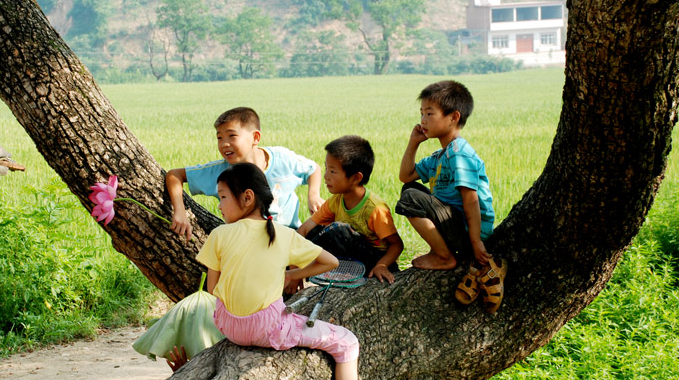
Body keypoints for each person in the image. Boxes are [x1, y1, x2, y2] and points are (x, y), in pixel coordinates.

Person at [198, 163, 383, 380]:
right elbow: (331, 262)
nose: (219, 205)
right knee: (347, 343)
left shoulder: (220, 234)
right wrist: (292, 275)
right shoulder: (282, 234)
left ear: (247, 198)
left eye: (222, 197)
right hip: (266, 330)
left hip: (229, 326)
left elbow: (212, 290)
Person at [395, 80, 505, 313]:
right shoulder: (440, 156)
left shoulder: (460, 154)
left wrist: (476, 242)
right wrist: (413, 143)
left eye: (430, 113)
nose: (423, 120)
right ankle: (444, 252)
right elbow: (406, 176)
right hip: (455, 225)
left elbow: (471, 200)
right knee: (409, 191)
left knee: (412, 197)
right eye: (421, 113)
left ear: (453, 117)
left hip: (467, 230)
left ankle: (443, 256)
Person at [165, 106, 325, 240]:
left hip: (290, 237)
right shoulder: (220, 172)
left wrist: (313, 195)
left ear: (255, 137)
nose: (224, 144)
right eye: (219, 138)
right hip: (249, 245)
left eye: (232, 136)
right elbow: (174, 175)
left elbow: (313, 169)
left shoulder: (283, 159)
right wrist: (180, 212)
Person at [297, 135, 403, 285]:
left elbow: (397, 244)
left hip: (376, 260)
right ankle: (300, 276)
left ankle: (309, 273)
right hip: (351, 256)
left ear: (356, 178)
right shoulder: (337, 200)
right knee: (315, 232)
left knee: (338, 231)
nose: (326, 176)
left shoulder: (375, 209)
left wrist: (382, 265)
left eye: (333, 172)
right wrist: (295, 265)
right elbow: (304, 229)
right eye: (326, 169)